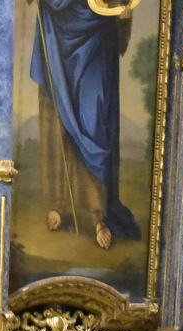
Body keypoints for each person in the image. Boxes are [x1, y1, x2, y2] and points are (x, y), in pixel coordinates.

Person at [30, 0, 139, 250]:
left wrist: (123, 18)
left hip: (98, 36)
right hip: (61, 31)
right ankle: (61, 204)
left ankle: (98, 215)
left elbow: (121, 4)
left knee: (93, 123)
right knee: (62, 120)